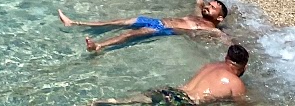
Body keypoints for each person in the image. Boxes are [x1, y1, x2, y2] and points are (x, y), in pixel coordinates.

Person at [90, 44, 249, 103]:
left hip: (171, 91)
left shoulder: (210, 65)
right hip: (185, 103)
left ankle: (106, 101)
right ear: (244, 66)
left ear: (226, 57)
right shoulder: (236, 83)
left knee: (132, 101)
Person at [59, 0, 229, 52]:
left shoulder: (211, 28)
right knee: (120, 21)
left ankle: (99, 46)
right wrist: (206, 5)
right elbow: (199, 0)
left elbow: (223, 39)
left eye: (213, 8)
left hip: (164, 29)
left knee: (130, 34)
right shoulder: (198, 14)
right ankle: (74, 22)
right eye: (209, 5)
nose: (208, 7)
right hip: (157, 21)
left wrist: (229, 44)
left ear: (219, 18)